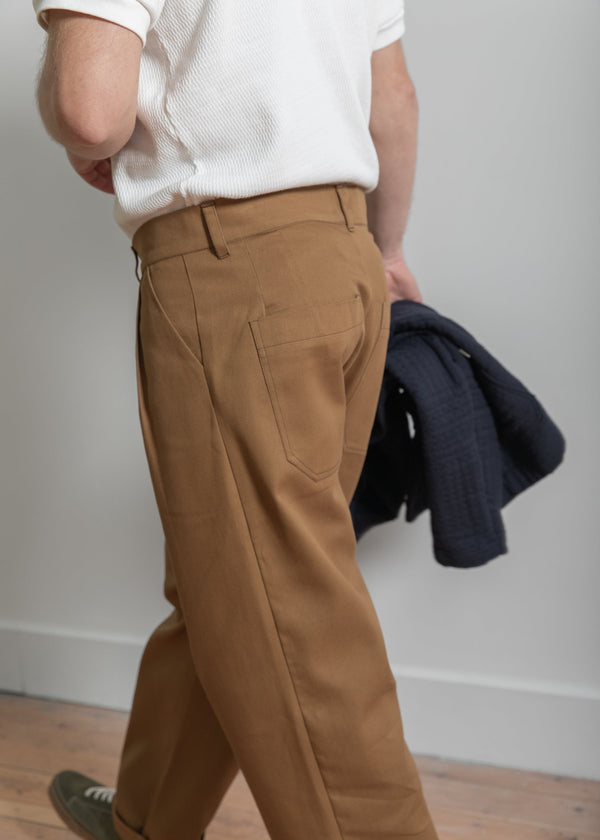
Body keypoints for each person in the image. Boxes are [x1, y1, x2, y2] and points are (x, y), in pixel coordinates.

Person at [32, 1, 437, 839]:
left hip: (237, 275)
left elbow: (88, 104)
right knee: (237, 581)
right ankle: (148, 817)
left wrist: (80, 136)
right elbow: (392, 100)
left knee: (286, 604)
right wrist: (385, 251)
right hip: (349, 263)